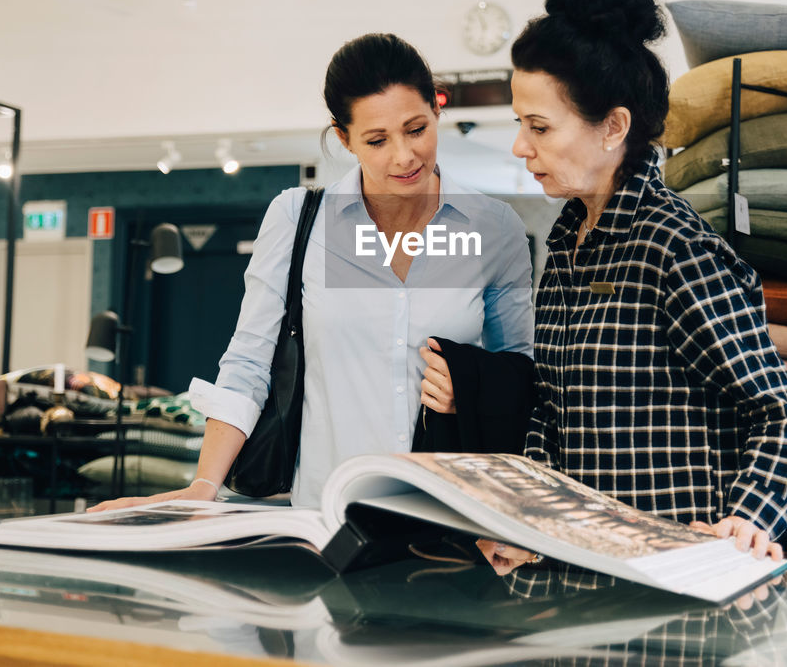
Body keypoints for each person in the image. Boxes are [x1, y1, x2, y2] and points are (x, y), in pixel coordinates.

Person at [91, 33, 534, 512]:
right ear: (344, 138)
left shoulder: (492, 227)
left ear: (437, 111)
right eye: (377, 140)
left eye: (416, 129)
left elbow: (522, 369)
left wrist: (470, 388)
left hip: (454, 509)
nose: (404, 156)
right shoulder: (299, 221)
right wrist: (204, 485)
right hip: (330, 510)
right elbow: (249, 362)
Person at [485, 0, 787, 568]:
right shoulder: (565, 247)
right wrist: (525, 520)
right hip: (578, 573)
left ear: (613, 127)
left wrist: (747, 519)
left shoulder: (674, 248)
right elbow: (550, 413)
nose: (520, 148)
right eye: (519, 125)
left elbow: (777, 414)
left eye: (540, 127)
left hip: (673, 577)